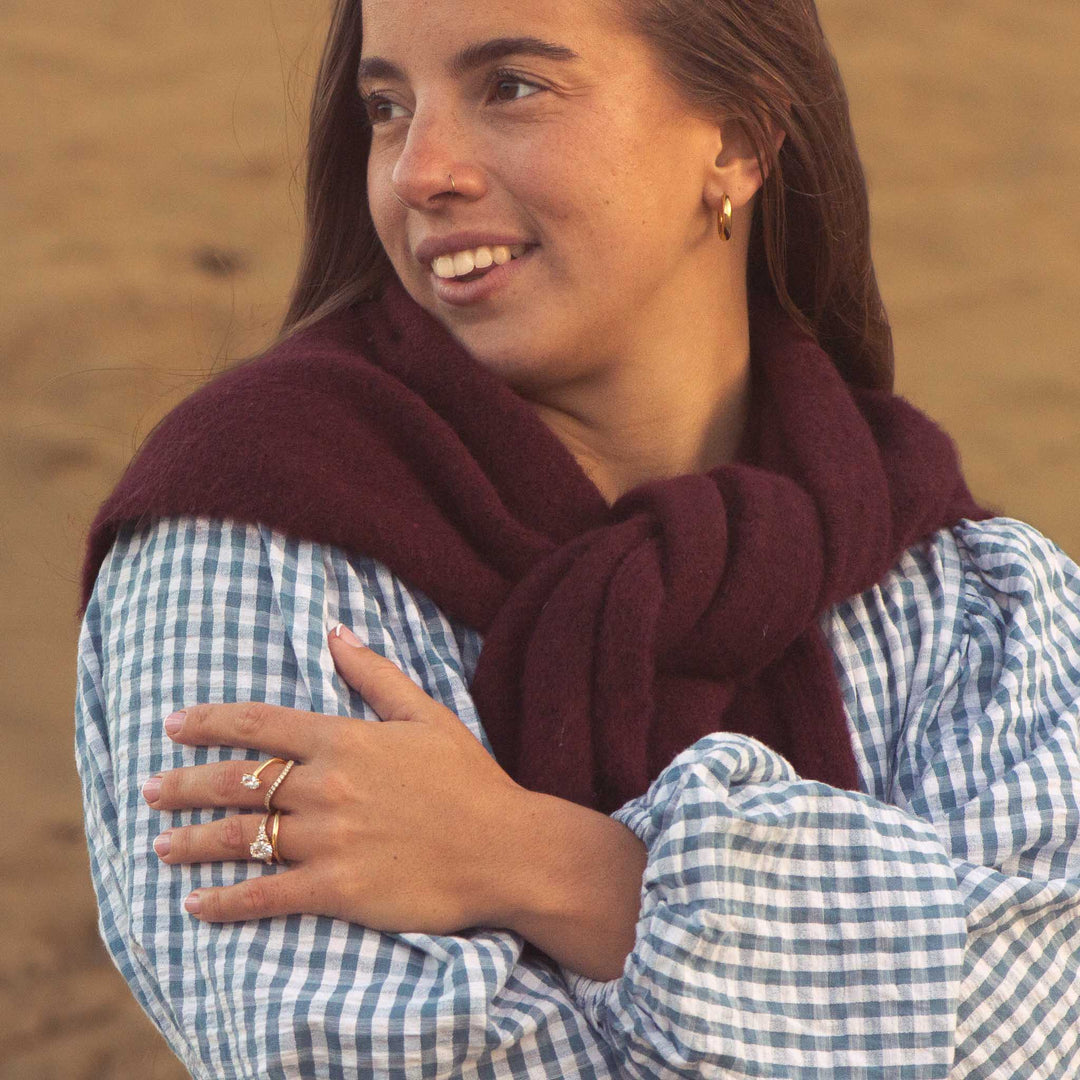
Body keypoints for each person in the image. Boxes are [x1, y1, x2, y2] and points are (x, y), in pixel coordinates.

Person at [75, 0, 1080, 1075]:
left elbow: (1041, 1025)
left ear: (737, 138)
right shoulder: (247, 543)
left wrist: (565, 872)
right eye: (385, 106)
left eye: (511, 85)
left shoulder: (973, 592)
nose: (420, 172)